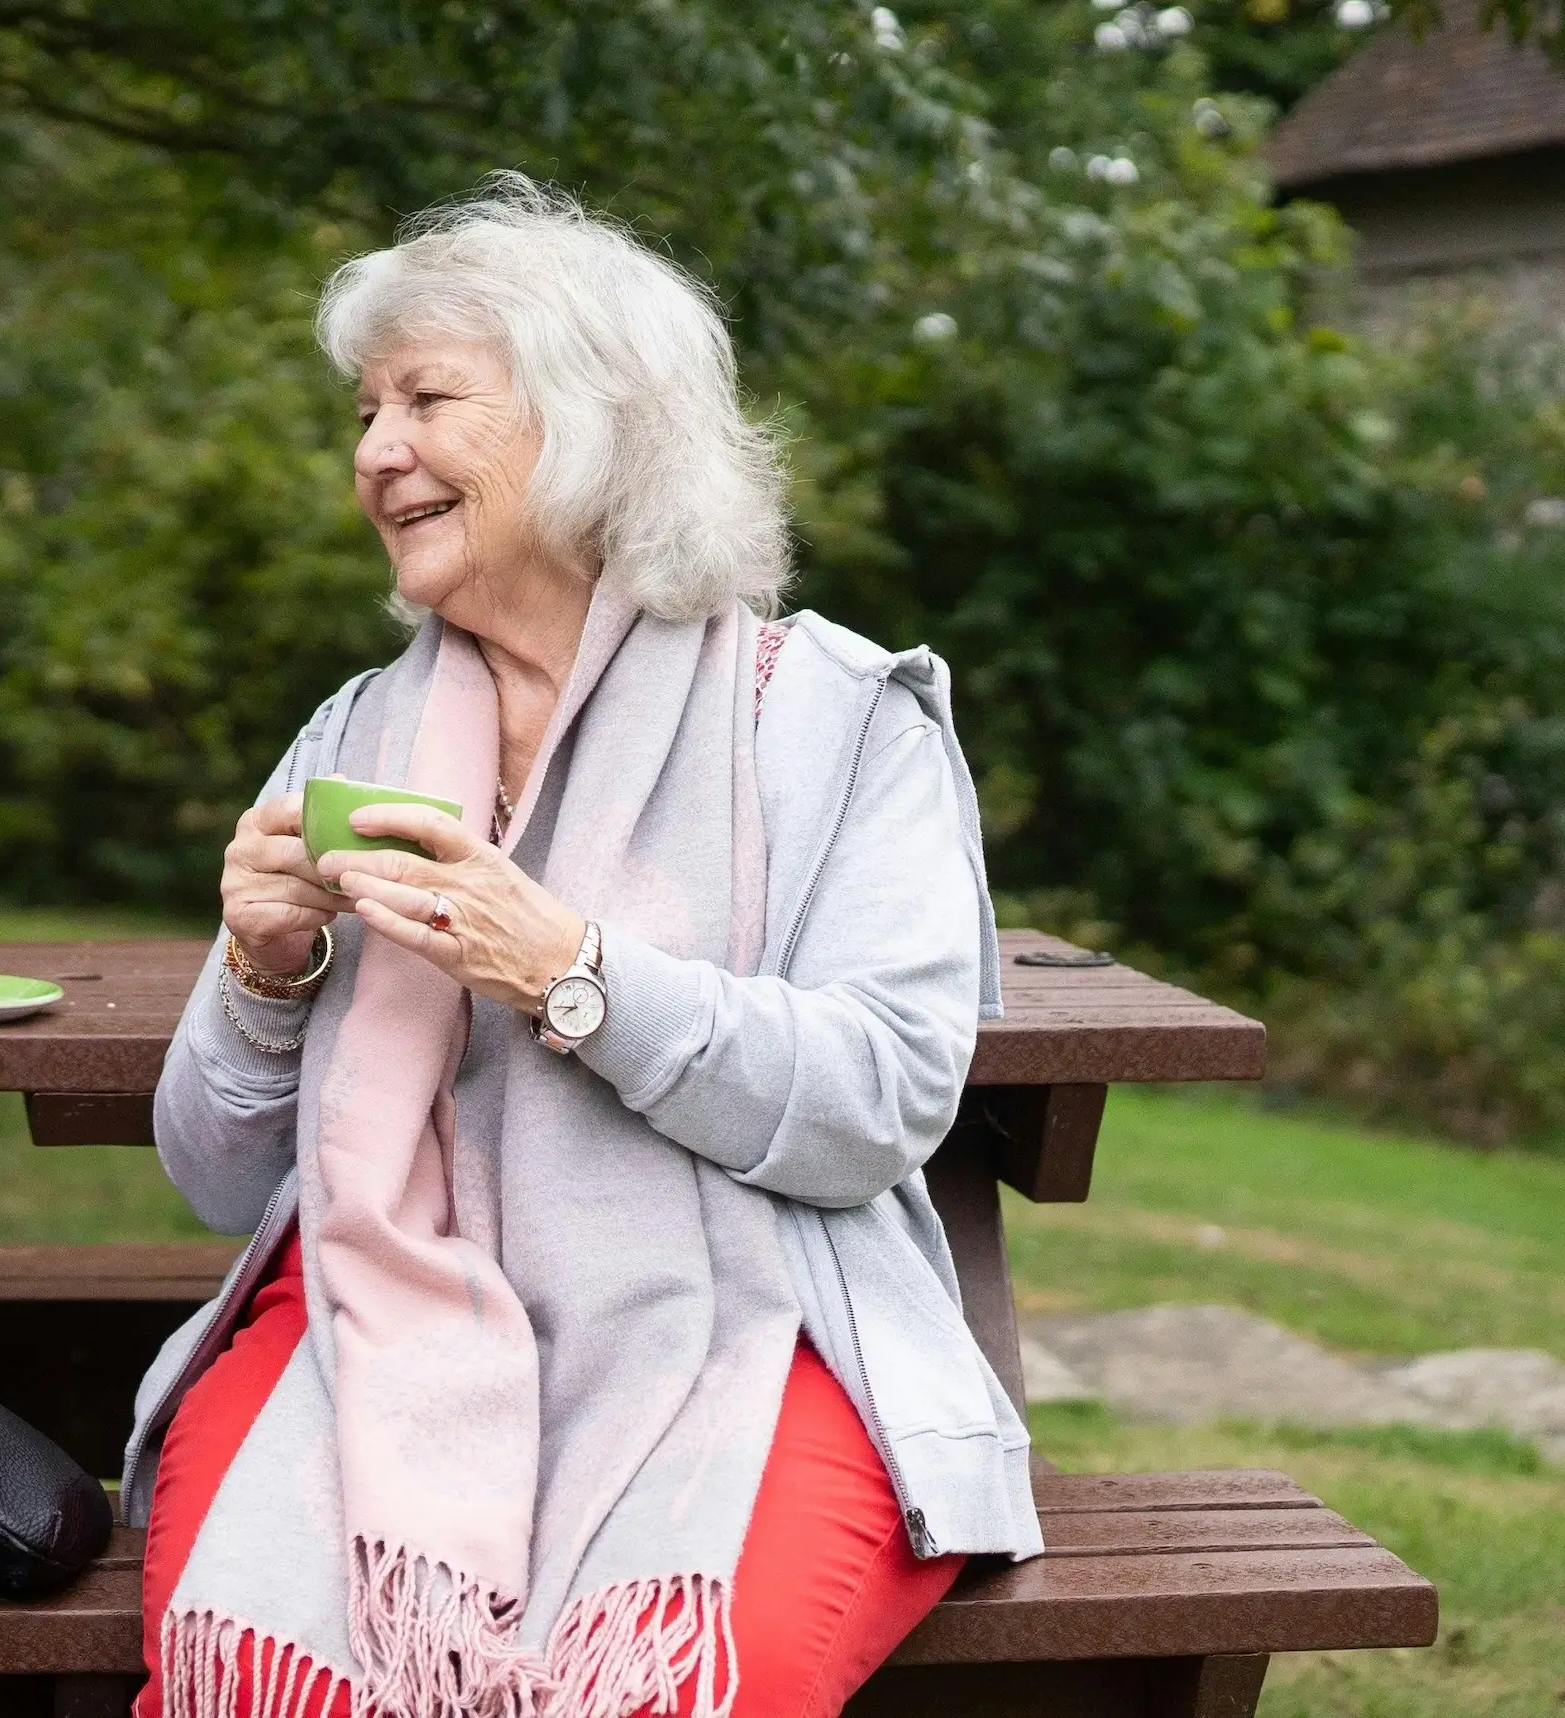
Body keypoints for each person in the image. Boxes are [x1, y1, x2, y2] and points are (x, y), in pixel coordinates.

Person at [127, 177, 1040, 1718]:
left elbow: (878, 1098)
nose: (374, 453)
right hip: (370, 1340)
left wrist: (574, 971)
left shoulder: (834, 717)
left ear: (595, 421)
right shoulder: (355, 738)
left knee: (659, 1691)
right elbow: (219, 1175)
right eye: (364, 412)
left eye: (425, 401)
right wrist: (265, 971)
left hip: (755, 1325)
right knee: (272, 1680)